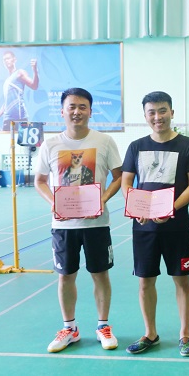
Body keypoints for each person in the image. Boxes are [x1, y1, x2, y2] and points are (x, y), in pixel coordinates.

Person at [34, 87, 122, 353]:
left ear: (90, 111)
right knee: (65, 276)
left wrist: (103, 199)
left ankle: (103, 326)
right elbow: (40, 181)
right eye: (71, 106)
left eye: (82, 106)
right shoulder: (50, 144)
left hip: (97, 223)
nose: (77, 111)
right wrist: (54, 202)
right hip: (63, 226)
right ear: (62, 111)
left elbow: (119, 177)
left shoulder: (104, 141)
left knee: (100, 274)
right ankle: (70, 328)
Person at [121, 91, 189, 357]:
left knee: (182, 280)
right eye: (152, 112)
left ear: (172, 112)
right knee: (145, 281)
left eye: (163, 110)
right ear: (145, 116)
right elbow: (126, 182)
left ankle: (185, 334)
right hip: (144, 227)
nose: (158, 117)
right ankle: (150, 333)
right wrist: (135, 206)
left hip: (177, 226)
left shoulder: (188, 145)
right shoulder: (136, 146)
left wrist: (172, 208)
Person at [0, 51, 39, 131]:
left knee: (21, 139)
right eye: (4, 60)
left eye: (8, 58)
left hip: (20, 118)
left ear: (14, 60)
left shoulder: (19, 73)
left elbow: (34, 86)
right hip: (7, 119)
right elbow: (6, 103)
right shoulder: (6, 82)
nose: (6, 61)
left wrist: (35, 71)